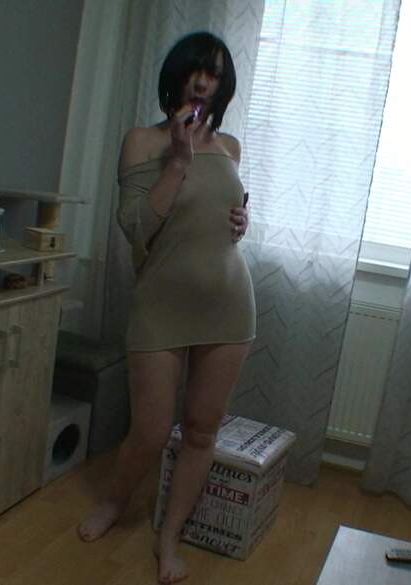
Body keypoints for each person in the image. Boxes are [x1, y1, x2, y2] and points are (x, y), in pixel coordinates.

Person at [77, 31, 255, 584]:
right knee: (151, 430)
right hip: (160, 303)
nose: (202, 81)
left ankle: (169, 536)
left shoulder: (230, 148)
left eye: (214, 74)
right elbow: (136, 230)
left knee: (201, 430)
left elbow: (216, 222)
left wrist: (242, 221)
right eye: (195, 69)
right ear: (176, 74)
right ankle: (114, 503)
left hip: (228, 302)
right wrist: (177, 163)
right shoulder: (141, 141)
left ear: (223, 86)